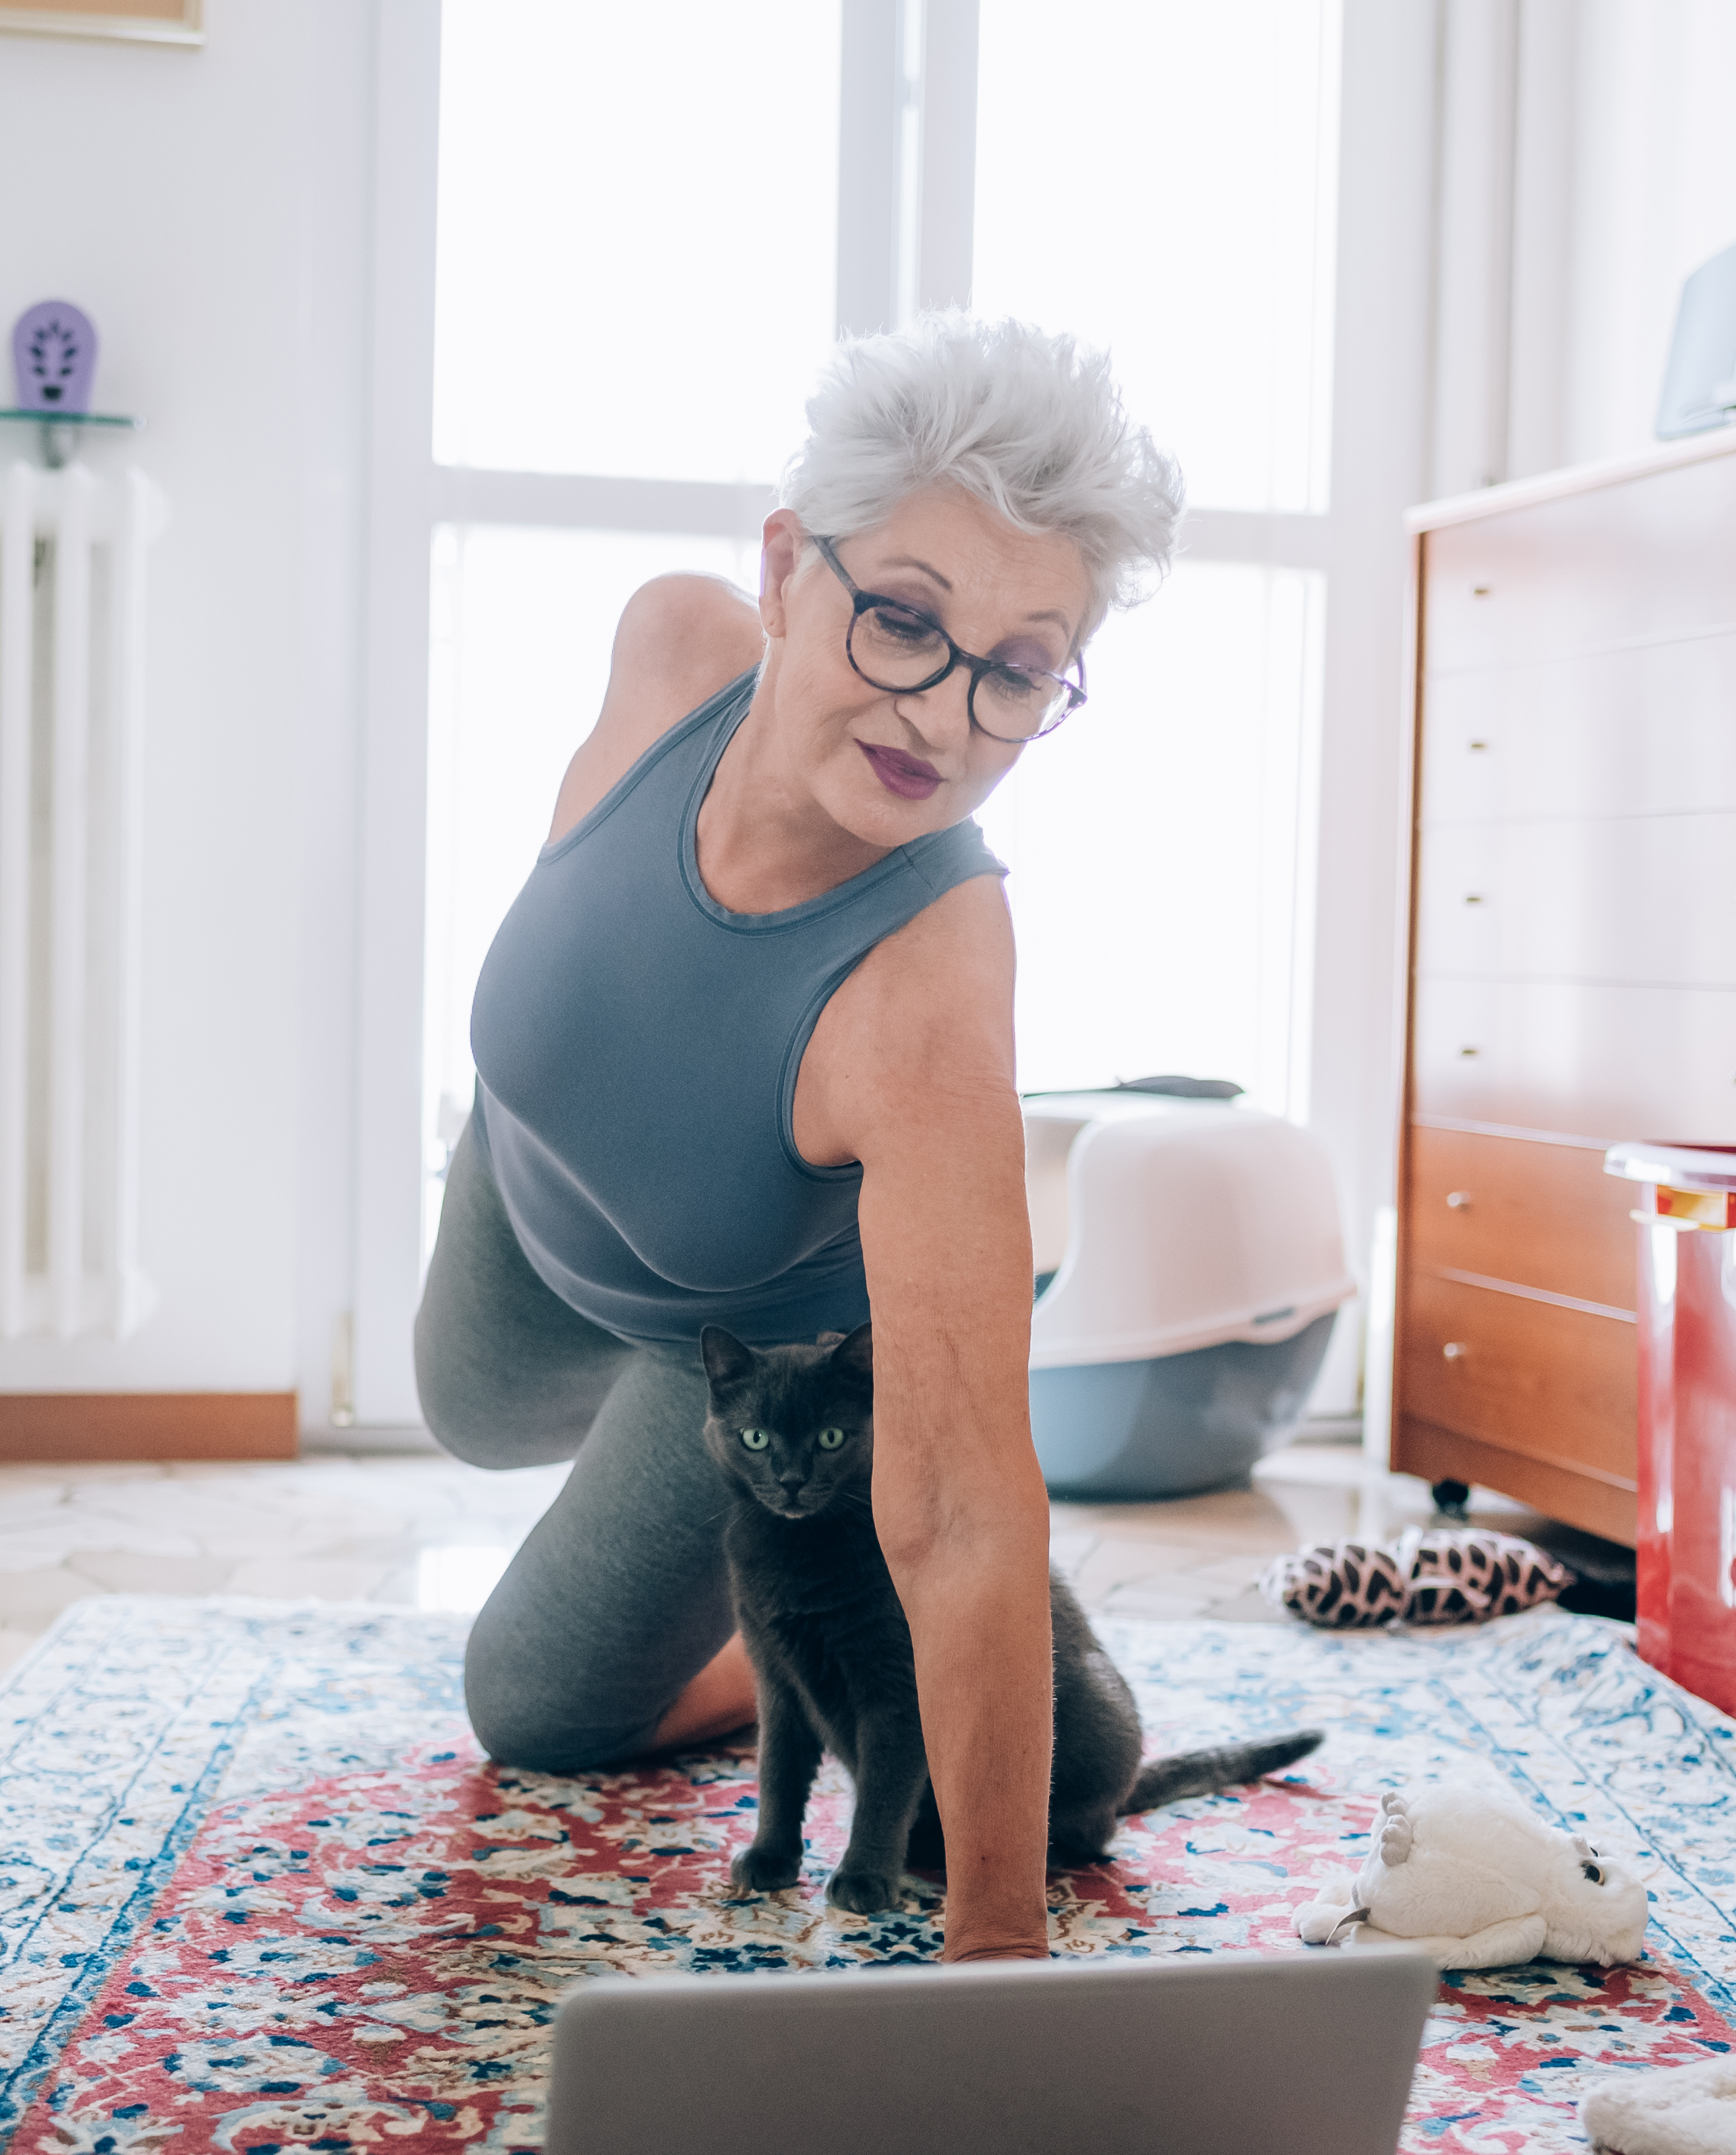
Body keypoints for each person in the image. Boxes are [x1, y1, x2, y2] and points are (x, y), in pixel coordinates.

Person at [415, 315, 1183, 1965]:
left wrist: (994, 1951)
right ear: (783, 566)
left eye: (1020, 667)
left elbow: (972, 1501)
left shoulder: (931, 997)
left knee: (532, 1705)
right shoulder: (673, 648)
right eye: (902, 618)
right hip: (532, 1192)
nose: (946, 713)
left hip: (743, 1329)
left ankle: (820, 1632)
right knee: (463, 1408)